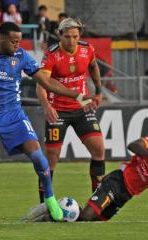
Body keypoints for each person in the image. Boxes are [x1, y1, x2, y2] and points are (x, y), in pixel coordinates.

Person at [0, 22, 96, 225]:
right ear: (0, 38)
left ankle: (50, 199)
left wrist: (78, 95)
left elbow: (47, 82)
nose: (17, 45)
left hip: (14, 116)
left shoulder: (22, 57)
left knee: (38, 156)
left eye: (19, 41)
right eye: (14, 41)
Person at [22, 123, 148, 222]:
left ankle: (60, 213)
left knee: (90, 223)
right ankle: (47, 214)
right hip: (117, 181)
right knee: (85, 219)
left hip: (126, 195)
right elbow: (133, 145)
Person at [35, 18, 105, 203]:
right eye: (67, 37)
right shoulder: (51, 55)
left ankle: (97, 201)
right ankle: (45, 204)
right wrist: (46, 106)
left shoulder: (87, 49)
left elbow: (93, 66)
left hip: (82, 107)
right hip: (57, 110)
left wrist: (98, 91)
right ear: (59, 35)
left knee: (98, 149)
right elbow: (41, 84)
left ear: (79, 35)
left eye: (75, 36)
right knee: (52, 158)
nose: (71, 41)